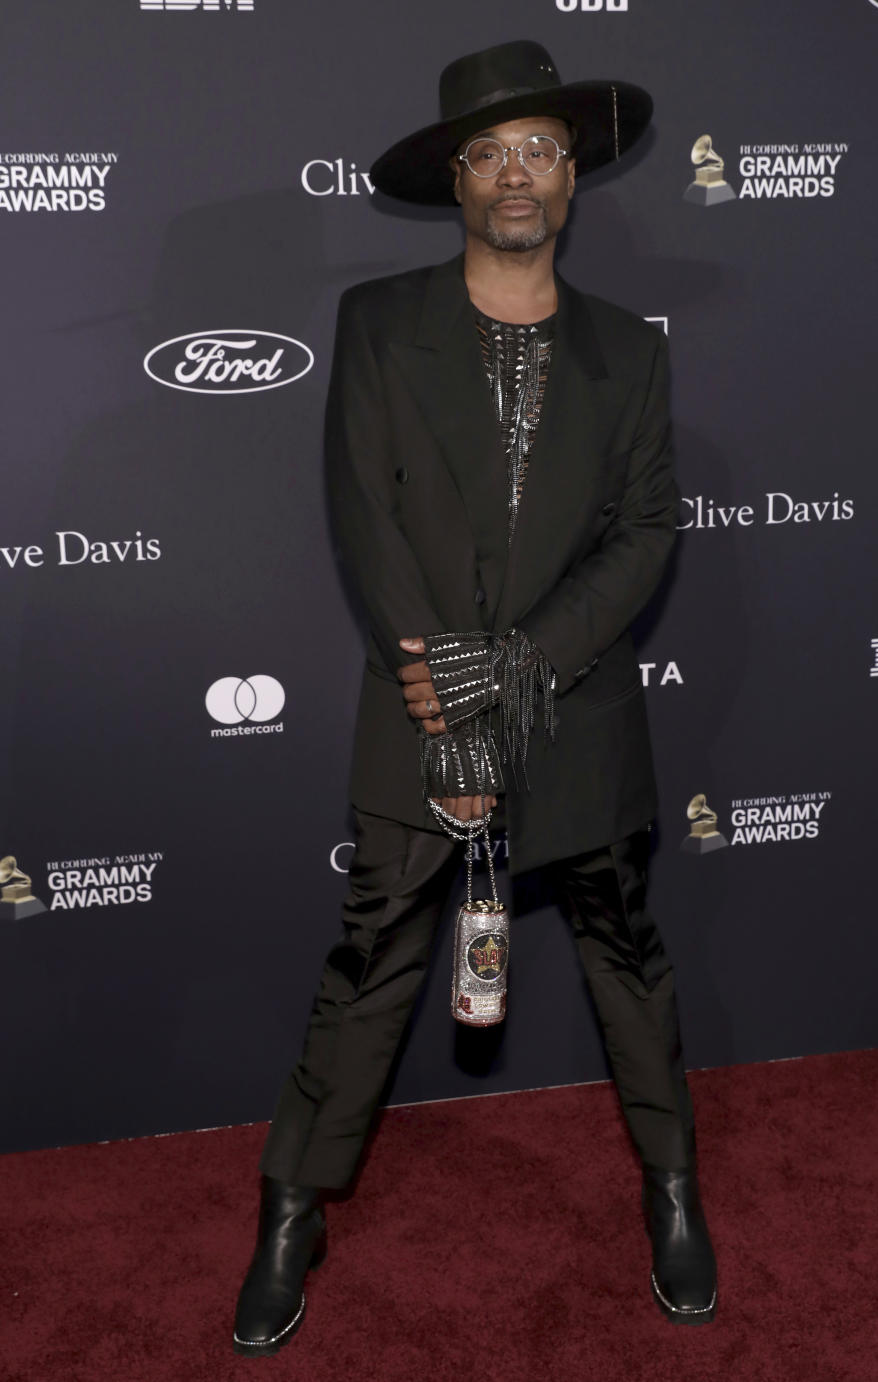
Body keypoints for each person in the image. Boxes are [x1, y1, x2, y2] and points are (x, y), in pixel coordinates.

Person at [232, 39, 718, 1357]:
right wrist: (451, 682)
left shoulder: (630, 351)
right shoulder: (378, 323)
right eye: (493, 153)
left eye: (542, 152)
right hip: (421, 703)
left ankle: (672, 1184)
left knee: (627, 955)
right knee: (370, 962)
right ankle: (293, 1203)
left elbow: (646, 531)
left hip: (579, 711)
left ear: (573, 181)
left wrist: (521, 665)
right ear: (458, 178)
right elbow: (363, 510)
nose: (519, 175)